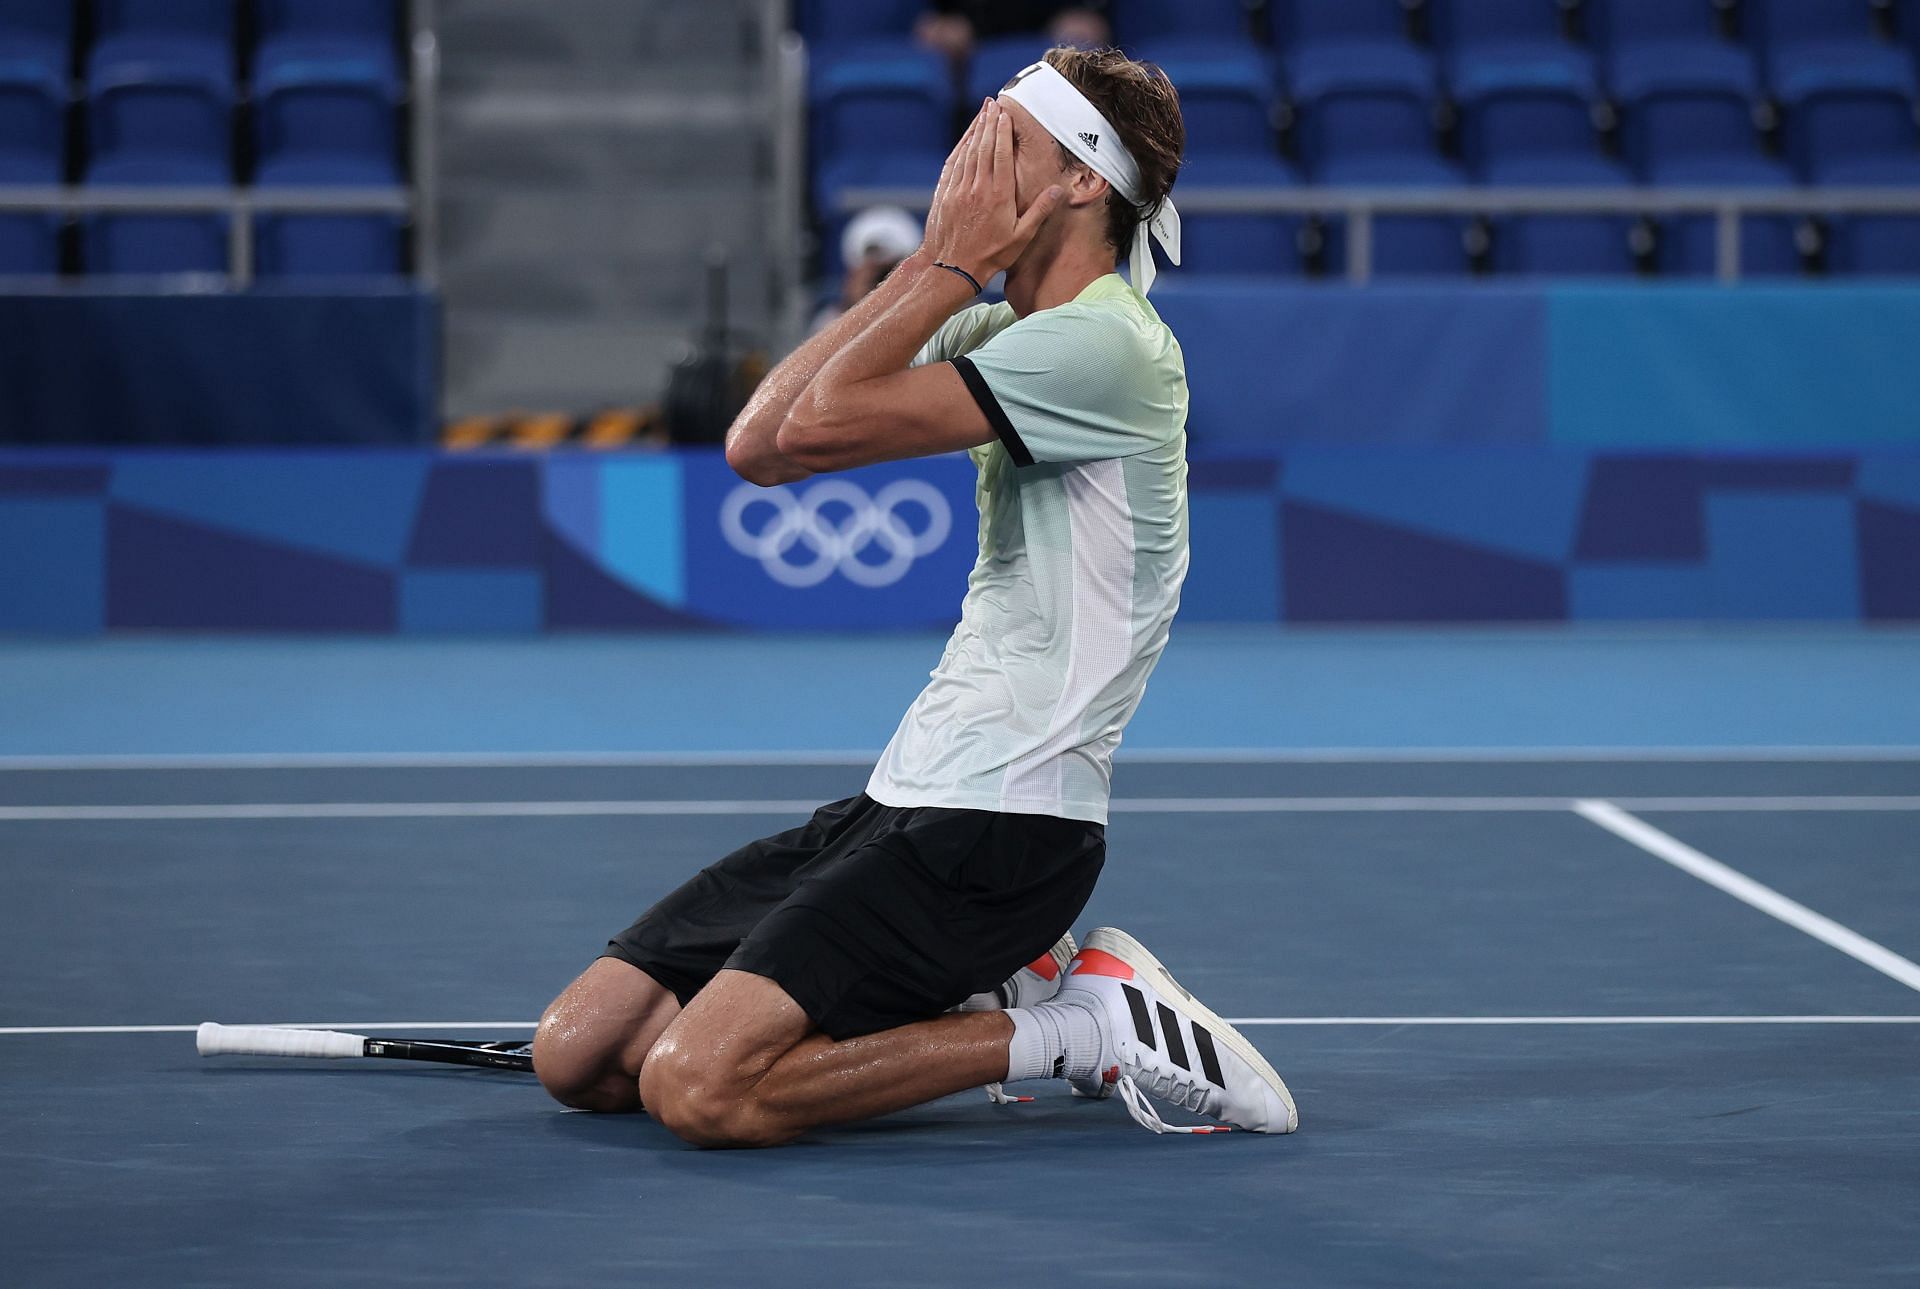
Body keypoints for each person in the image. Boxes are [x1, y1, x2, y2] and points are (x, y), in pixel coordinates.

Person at [531, 47, 1297, 1146]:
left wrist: (944, 258)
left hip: (1008, 828)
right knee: (585, 1051)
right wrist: (940, 268)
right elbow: (762, 443)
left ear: (1082, 180)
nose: (969, 165)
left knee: (699, 1087)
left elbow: (824, 425)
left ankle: (1082, 1026)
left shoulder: (1110, 347)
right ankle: (989, 993)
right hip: (906, 800)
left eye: (1004, 143)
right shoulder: (1006, 331)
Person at [810, 205, 924, 334]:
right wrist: (854, 305)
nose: (881, 281)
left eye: (890, 271)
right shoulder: (828, 322)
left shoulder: (929, 323)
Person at [916, 2, 1110, 60]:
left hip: (1055, 26)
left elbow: (1089, 17)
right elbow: (933, 19)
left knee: (1084, 34)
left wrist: (1077, 13)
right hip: (971, 32)